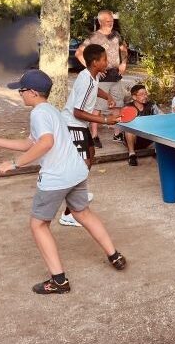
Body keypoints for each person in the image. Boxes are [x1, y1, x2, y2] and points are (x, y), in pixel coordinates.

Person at [0, 69, 126, 294]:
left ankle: (58, 281)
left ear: (31, 92)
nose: (20, 95)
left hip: (57, 177)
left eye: (21, 91)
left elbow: (46, 142)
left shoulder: (38, 114)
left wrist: (14, 164)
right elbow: (31, 142)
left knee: (38, 224)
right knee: (83, 213)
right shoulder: (51, 111)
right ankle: (114, 255)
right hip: (76, 171)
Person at [59, 44, 120, 227]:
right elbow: (78, 112)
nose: (106, 62)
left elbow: (95, 89)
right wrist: (105, 120)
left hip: (80, 125)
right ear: (95, 62)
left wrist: (107, 97)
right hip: (73, 125)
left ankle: (78, 196)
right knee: (81, 166)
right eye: (104, 59)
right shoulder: (85, 80)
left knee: (90, 156)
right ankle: (69, 213)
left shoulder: (92, 76)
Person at [74, 10, 128, 148]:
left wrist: (123, 63)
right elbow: (78, 53)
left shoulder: (116, 35)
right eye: (107, 21)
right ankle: (94, 135)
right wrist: (93, 68)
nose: (110, 23)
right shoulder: (93, 37)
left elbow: (124, 49)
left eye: (111, 21)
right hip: (102, 78)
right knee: (97, 107)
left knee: (118, 104)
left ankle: (117, 134)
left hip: (116, 76)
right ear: (100, 22)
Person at [123, 84, 163, 166]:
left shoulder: (152, 105)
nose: (145, 96)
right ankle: (132, 155)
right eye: (142, 94)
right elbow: (123, 123)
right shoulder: (128, 107)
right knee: (129, 129)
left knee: (160, 126)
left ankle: (157, 152)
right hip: (134, 140)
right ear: (134, 97)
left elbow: (162, 117)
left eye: (146, 94)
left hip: (148, 138)